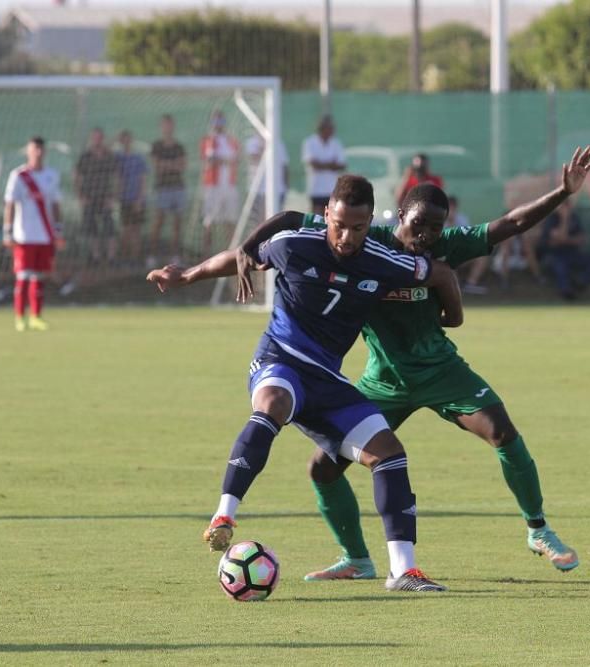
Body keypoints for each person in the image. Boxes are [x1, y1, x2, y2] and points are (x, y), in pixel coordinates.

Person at [235, 147, 590, 581]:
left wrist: (562, 191)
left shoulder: (447, 246)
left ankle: (538, 530)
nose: (425, 234)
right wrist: (243, 249)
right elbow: (294, 220)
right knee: (322, 467)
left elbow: (511, 224)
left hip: (442, 372)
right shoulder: (366, 240)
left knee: (502, 431)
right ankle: (357, 559)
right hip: (384, 379)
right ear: (399, 213)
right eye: (418, 223)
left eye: (435, 227)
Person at [147, 175, 463, 592]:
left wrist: (452, 317)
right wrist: (187, 276)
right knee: (274, 402)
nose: (346, 236)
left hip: (328, 380)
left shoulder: (386, 260)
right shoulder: (294, 243)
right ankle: (224, 514)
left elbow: (439, 274)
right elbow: (239, 258)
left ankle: (402, 571)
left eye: (358, 227)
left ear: (371, 223)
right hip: (280, 359)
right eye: (339, 224)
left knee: (388, 452)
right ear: (327, 214)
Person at [3, 136, 65, 332]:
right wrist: (8, 231)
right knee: (22, 276)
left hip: (45, 235)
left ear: (44, 152)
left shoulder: (51, 175)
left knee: (39, 277)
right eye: (34, 149)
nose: (37, 153)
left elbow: (55, 204)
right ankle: (20, 317)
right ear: (28, 151)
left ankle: (36, 316)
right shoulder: (19, 176)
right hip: (24, 235)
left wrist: (58, 230)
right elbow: (10, 204)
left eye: (40, 149)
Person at [147, 114, 188, 268]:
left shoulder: (179, 147)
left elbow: (182, 166)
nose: (168, 127)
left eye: (170, 124)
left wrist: (166, 164)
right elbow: (156, 165)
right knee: (158, 222)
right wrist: (172, 164)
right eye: (165, 124)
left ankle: (175, 255)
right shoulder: (156, 146)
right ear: (161, 127)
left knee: (176, 224)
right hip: (162, 188)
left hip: (178, 188)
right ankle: (152, 255)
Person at [199, 111, 241, 256]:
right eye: (216, 121)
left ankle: (232, 254)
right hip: (213, 186)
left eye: (221, 120)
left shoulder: (231, 141)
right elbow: (210, 160)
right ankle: (206, 254)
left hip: (229, 186)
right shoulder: (208, 140)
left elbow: (237, 160)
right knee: (209, 222)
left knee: (230, 221)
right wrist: (225, 161)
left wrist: (223, 160)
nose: (218, 124)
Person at [75, 127, 118, 264]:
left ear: (102, 139)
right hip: (89, 197)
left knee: (109, 226)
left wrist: (113, 197)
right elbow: (77, 177)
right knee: (91, 227)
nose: (97, 140)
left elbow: (116, 177)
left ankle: (111, 257)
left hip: (105, 197)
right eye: (95, 137)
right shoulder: (85, 156)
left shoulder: (108, 155)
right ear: (91, 139)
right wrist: (81, 196)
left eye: (99, 137)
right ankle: (96, 256)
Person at [537, 197, 590, 301]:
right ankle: (566, 291)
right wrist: (564, 220)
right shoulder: (552, 219)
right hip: (553, 254)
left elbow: (582, 239)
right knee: (560, 265)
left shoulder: (575, 218)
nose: (566, 208)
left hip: (572, 252)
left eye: (567, 205)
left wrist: (566, 240)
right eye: (563, 206)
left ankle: (581, 282)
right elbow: (559, 239)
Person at [302, 115, 346, 215]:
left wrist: (322, 164)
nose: (332, 130)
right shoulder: (309, 142)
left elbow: (341, 165)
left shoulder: (336, 143)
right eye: (329, 128)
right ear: (322, 128)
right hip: (316, 188)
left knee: (331, 216)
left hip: (332, 189)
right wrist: (331, 164)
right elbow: (313, 164)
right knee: (317, 216)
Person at [116, 129, 147, 263]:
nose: (126, 142)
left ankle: (135, 258)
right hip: (125, 199)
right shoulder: (118, 157)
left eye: (128, 139)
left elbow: (143, 179)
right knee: (126, 229)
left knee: (136, 229)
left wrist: (140, 198)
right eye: (123, 139)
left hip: (137, 199)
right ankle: (125, 257)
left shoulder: (138, 158)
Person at [245, 132, 289, 223]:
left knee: (275, 220)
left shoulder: (279, 144)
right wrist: (264, 147)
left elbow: (284, 165)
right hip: (258, 190)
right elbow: (253, 159)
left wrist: (286, 185)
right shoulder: (252, 143)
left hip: (277, 189)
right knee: (259, 221)